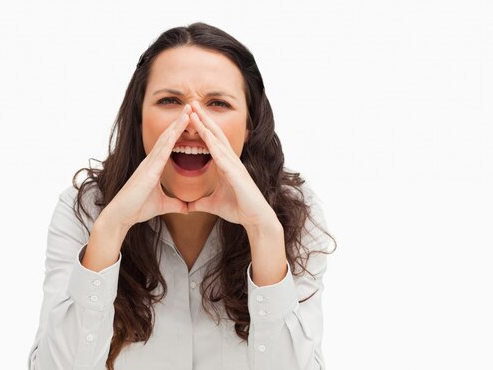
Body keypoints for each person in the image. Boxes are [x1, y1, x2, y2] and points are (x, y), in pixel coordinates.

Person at [27, 22, 336, 370]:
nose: (192, 123)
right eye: (170, 100)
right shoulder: (84, 210)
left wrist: (264, 234)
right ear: (139, 117)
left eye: (218, 102)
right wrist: (110, 230)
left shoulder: (293, 212)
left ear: (250, 125)